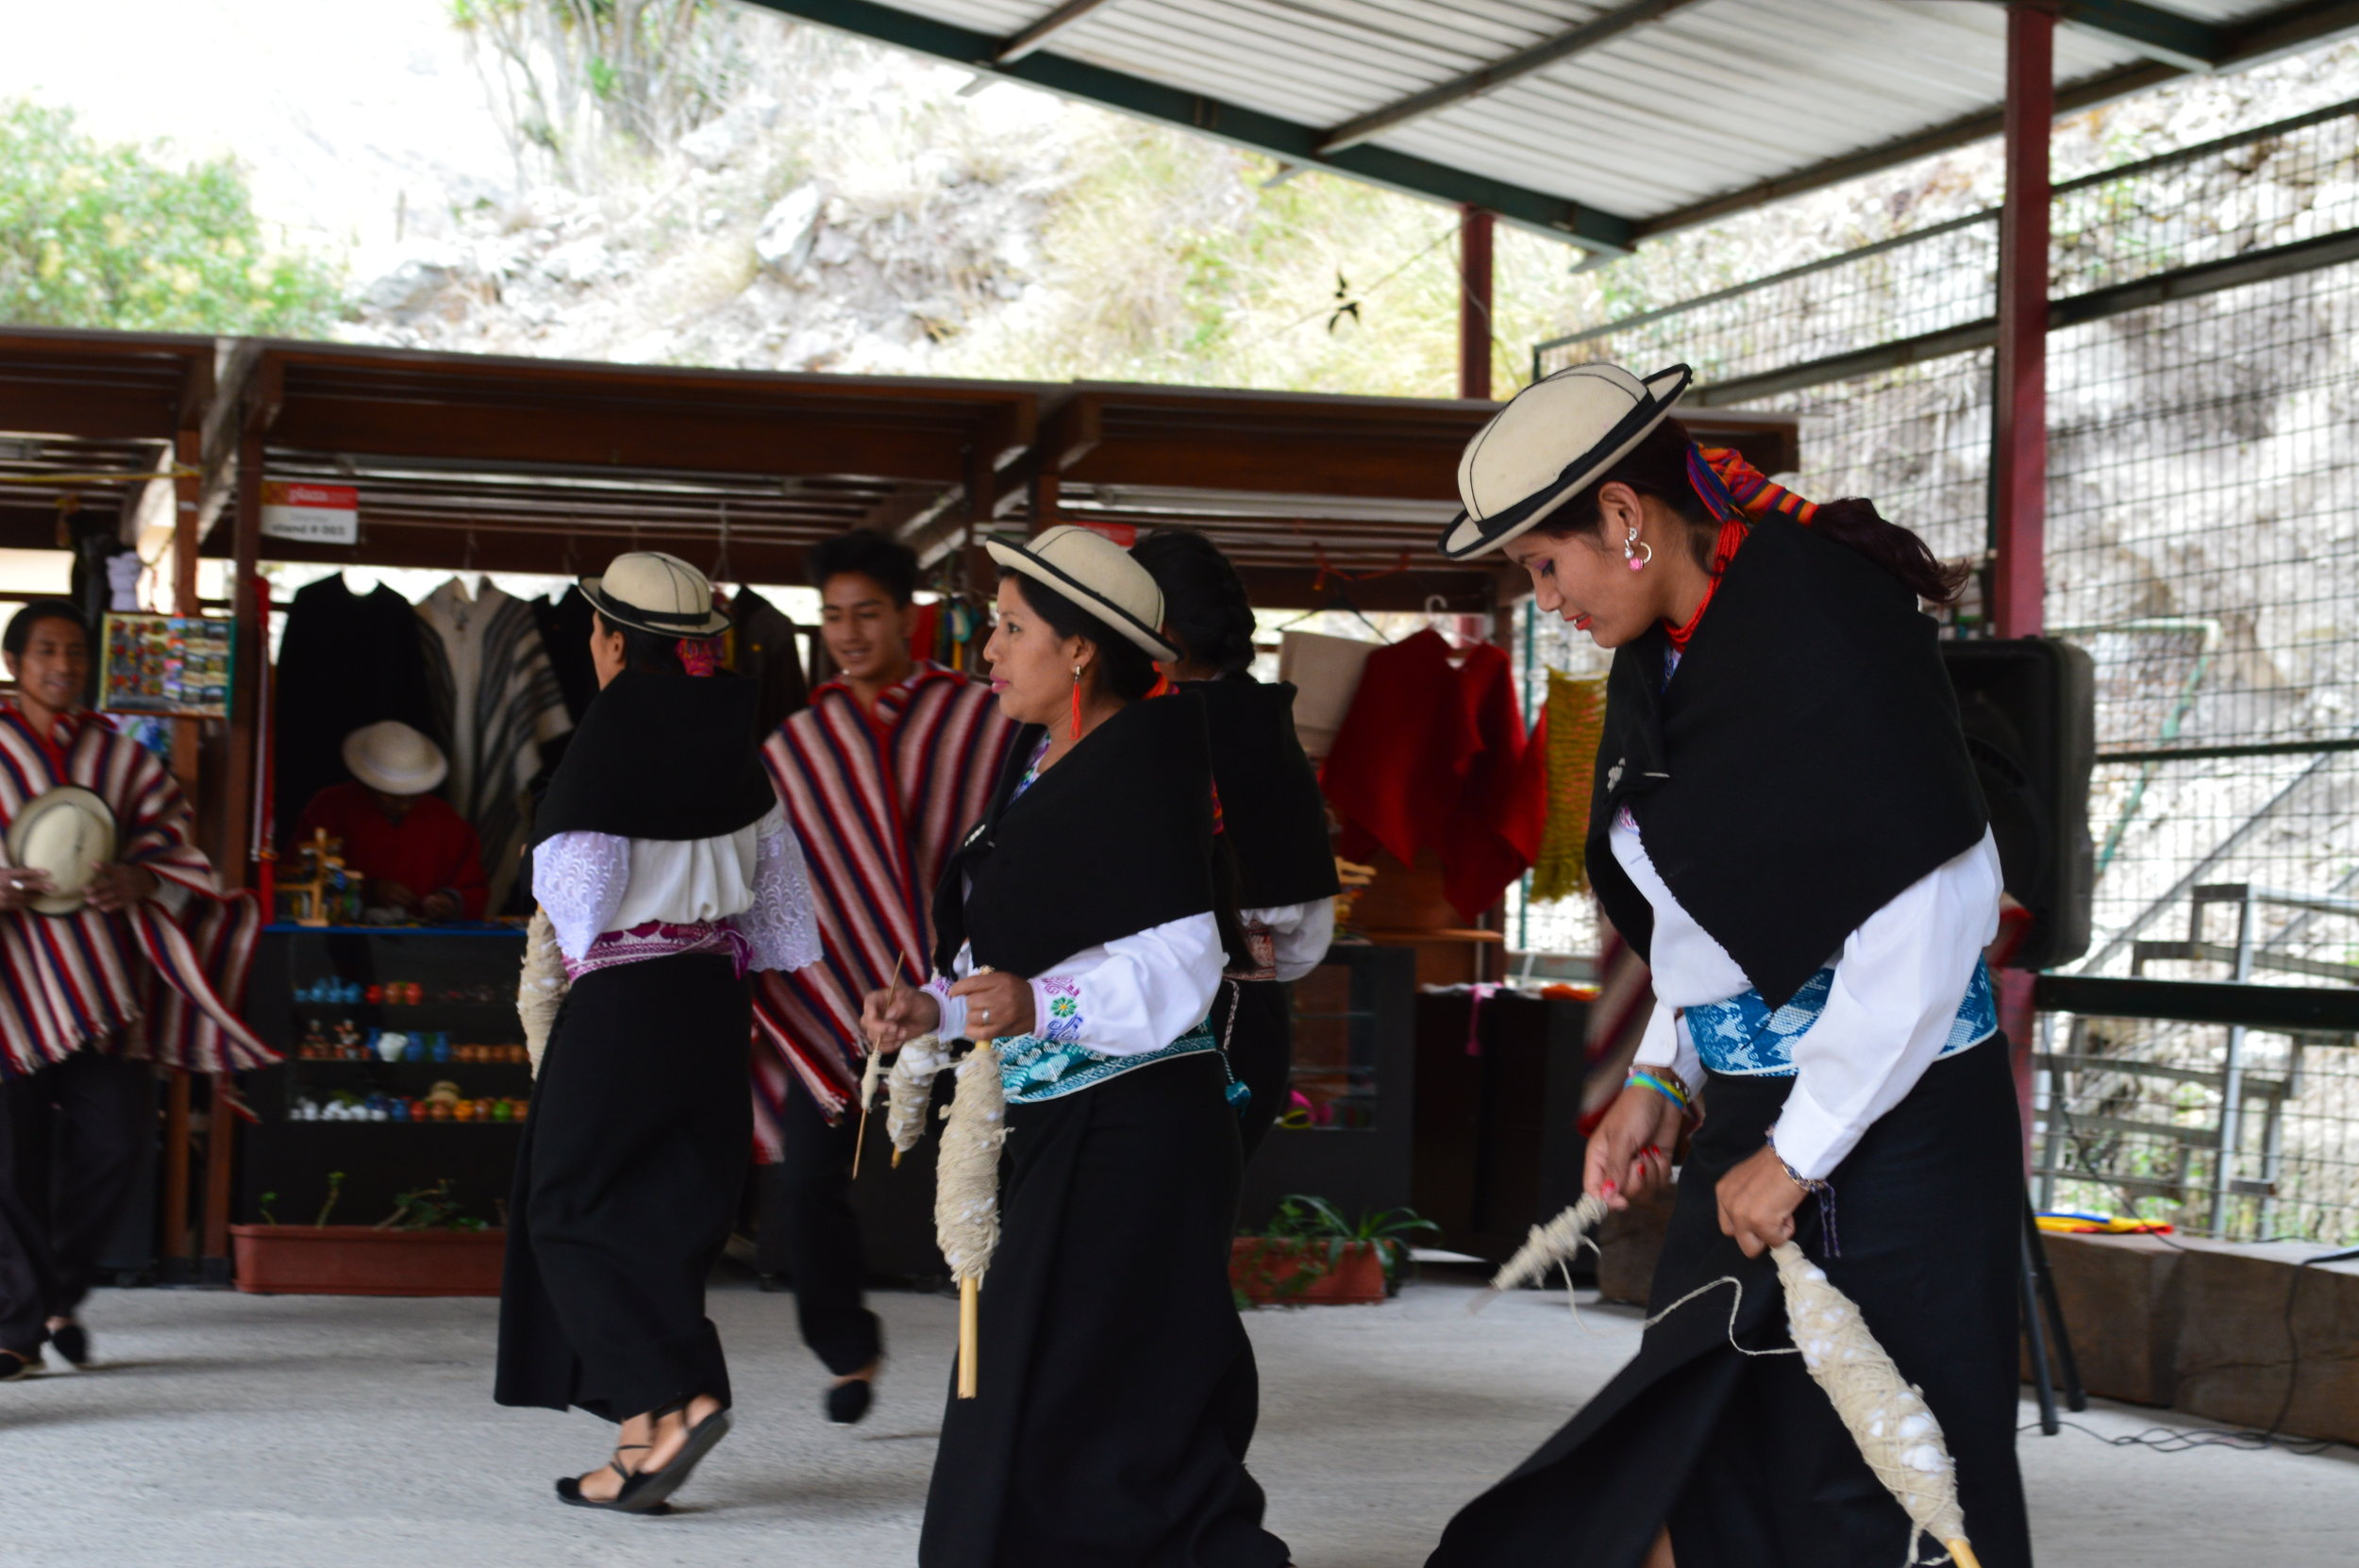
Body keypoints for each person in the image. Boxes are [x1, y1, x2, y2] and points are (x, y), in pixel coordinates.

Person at [1425, 363, 2028, 1568]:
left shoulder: (1825, 629)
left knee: (1876, 1480)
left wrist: (1798, 1153)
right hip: (1754, 1124)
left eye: (1547, 565)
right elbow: (1714, 906)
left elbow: (1929, 914)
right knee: (1680, 1447)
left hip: (1895, 1137)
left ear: (1624, 520)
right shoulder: (1670, 659)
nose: (1547, 599)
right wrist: (1663, 1071)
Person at [862, 525, 1291, 1568]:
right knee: (1067, 1386)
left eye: (1010, 629)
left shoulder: (1140, 767)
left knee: (1089, 1386)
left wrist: (1028, 1004)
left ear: (1082, 650)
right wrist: (935, 1009)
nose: (989, 652)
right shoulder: (1048, 766)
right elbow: (1018, 958)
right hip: (1073, 1123)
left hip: (1135, 1126)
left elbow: (1181, 964)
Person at [494, 552, 821, 1513]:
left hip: (623, 1001)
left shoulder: (606, 743)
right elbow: (784, 922)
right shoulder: (734, 751)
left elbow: (579, 906)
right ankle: (641, 1438)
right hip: (713, 1003)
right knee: (664, 1216)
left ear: (605, 639)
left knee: (567, 1209)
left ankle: (675, 1395)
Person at [750, 529, 1017, 1425]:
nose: (850, 632)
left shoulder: (978, 718)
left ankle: (1012, 1366)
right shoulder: (798, 741)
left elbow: (1012, 842)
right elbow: (782, 880)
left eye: (869, 613)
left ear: (910, 615)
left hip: (962, 991)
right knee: (803, 1179)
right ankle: (847, 1348)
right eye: (833, 616)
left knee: (999, 1173)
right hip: (836, 1000)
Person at [0, 600, 269, 1378]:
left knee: (117, 1143)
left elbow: (175, 850)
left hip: (99, 992)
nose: (64, 665)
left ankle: (57, 1289)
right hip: (10, 992)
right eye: (48, 650)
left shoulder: (121, 760)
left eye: (77, 652)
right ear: (17, 663)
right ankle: (16, 1329)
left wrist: (138, 877)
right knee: (8, 1162)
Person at [1131, 527, 1337, 1159]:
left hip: (1164, 1025)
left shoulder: (1152, 732)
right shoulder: (1266, 726)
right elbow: (1300, 944)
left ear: (1164, 635)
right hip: (1249, 1020)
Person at [293, 721, 488, 922]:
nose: (404, 806)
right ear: (367, 783)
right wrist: (367, 889)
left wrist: (450, 901)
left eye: (413, 796)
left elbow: (474, 887)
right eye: (392, 796)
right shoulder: (329, 807)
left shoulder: (445, 819)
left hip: (427, 944)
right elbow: (300, 876)